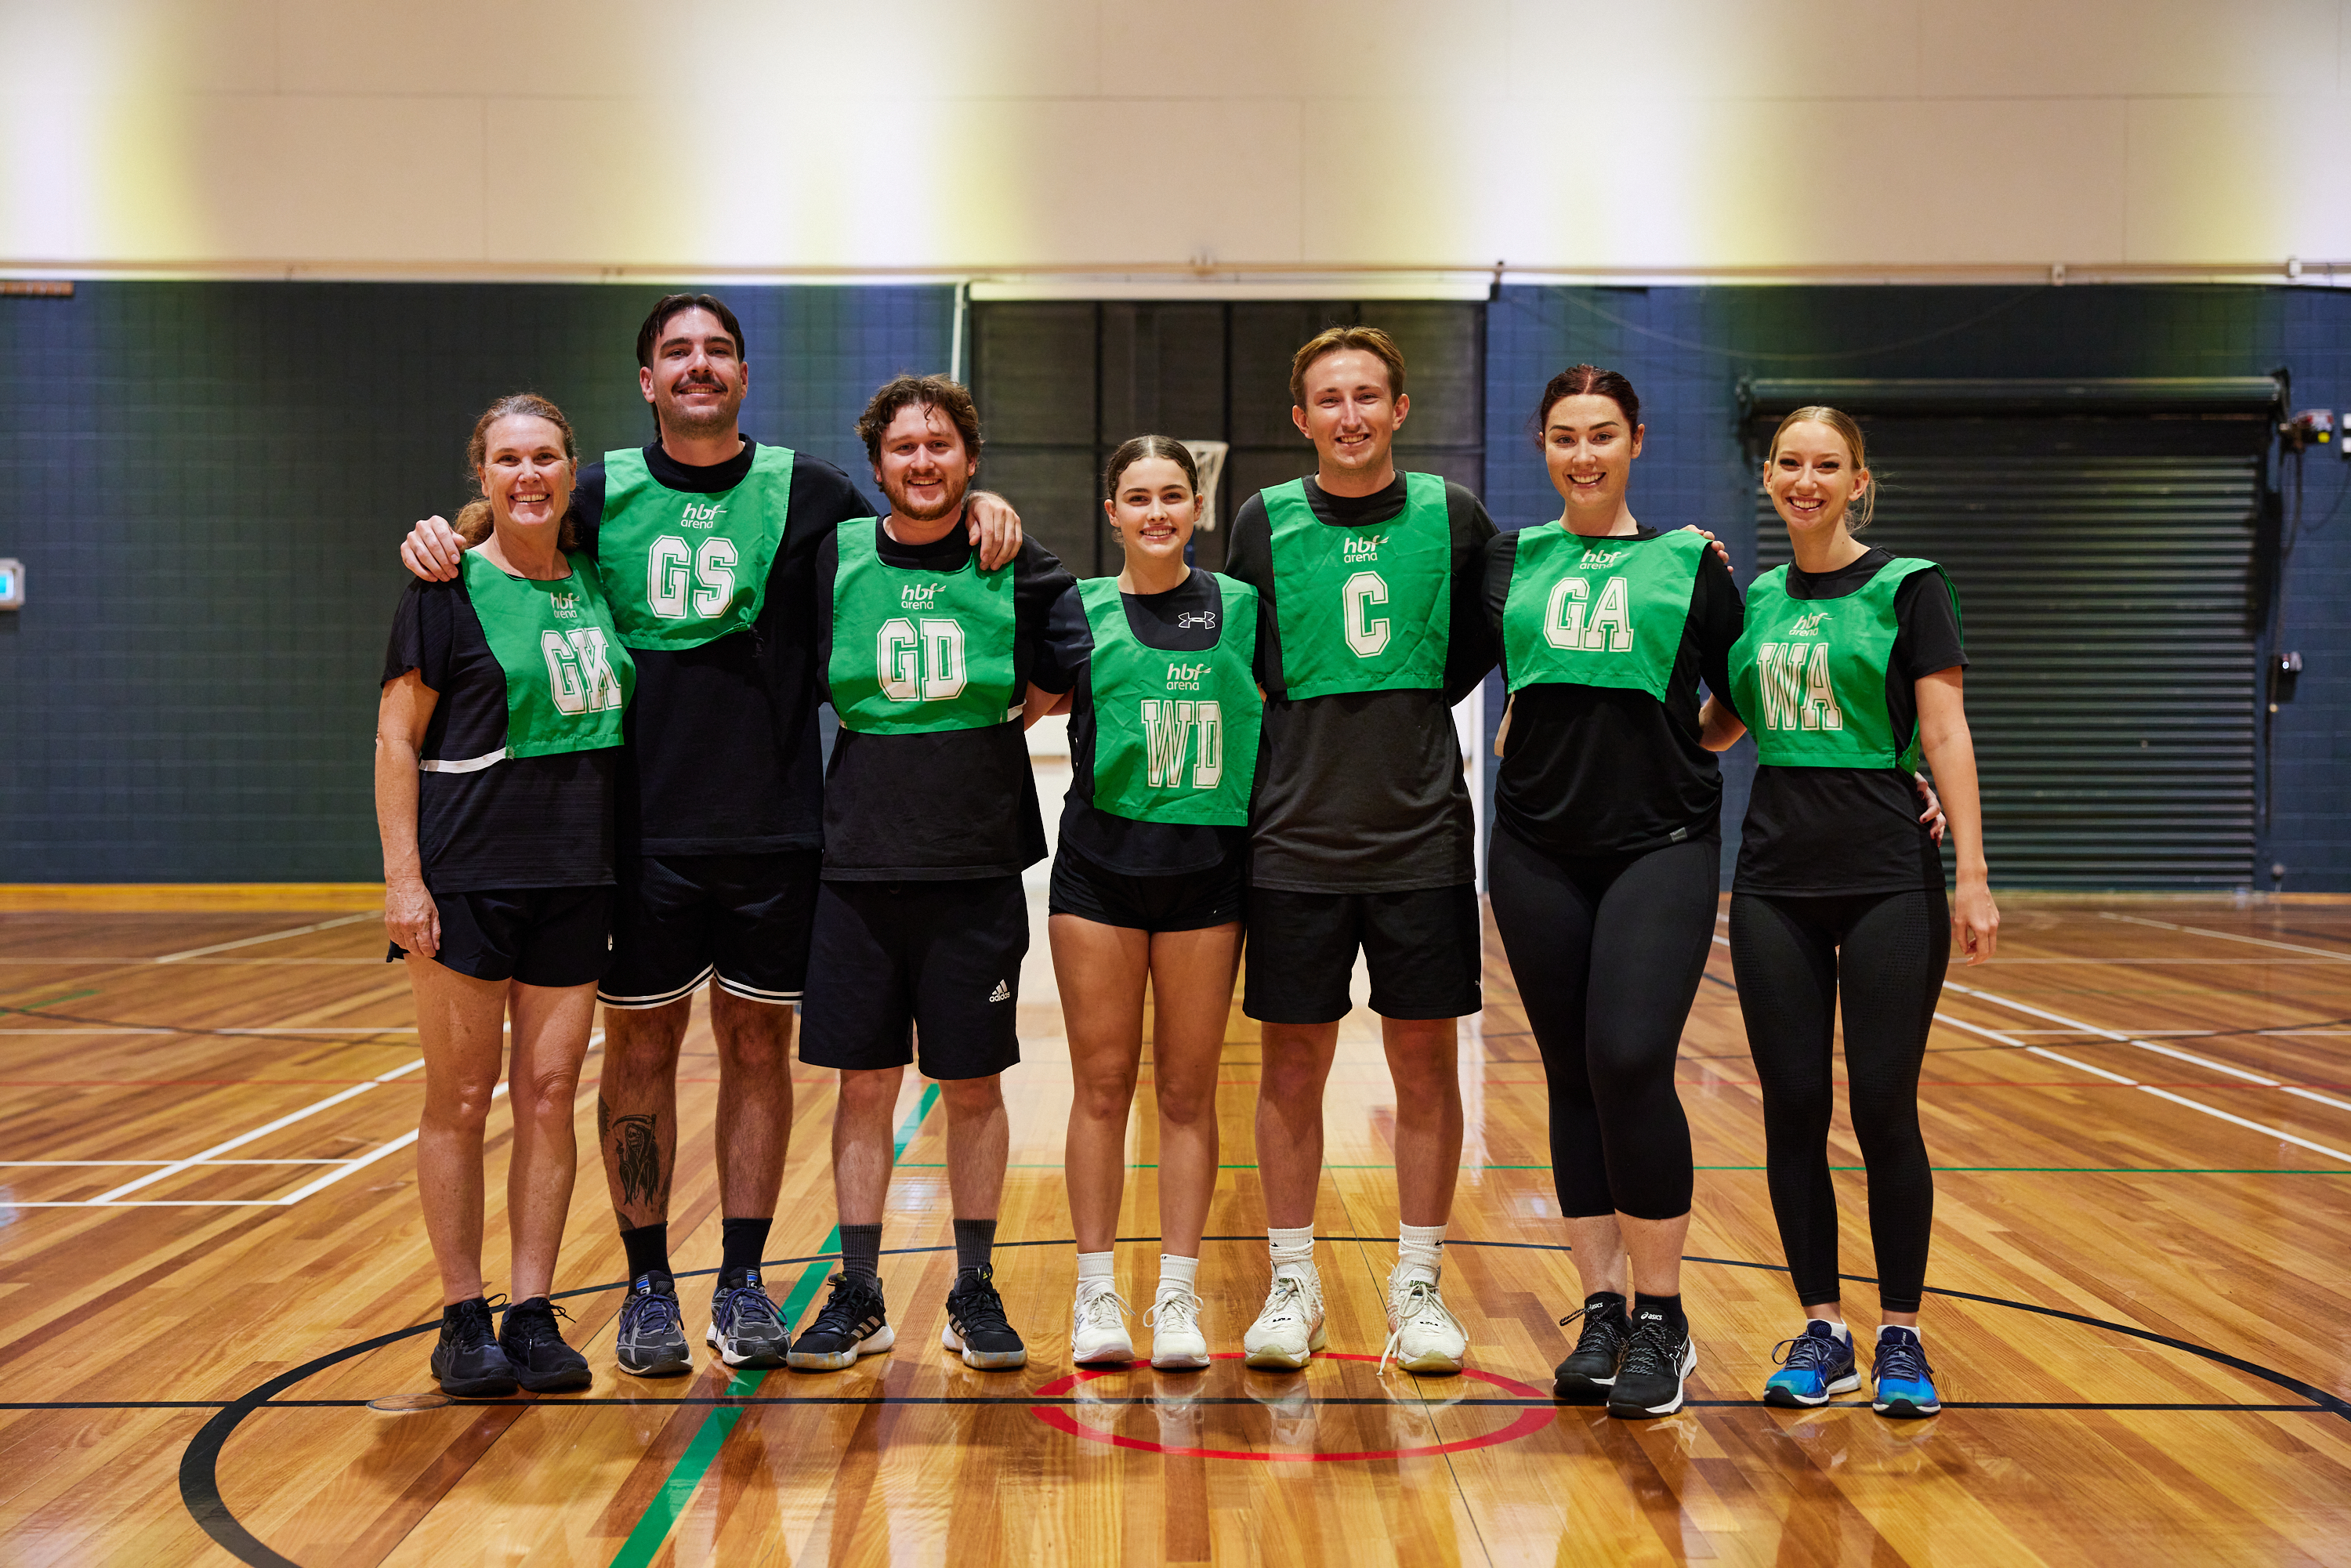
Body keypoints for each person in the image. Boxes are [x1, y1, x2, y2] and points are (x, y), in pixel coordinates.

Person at [397, 295, 1022, 1378]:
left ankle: (741, 1280)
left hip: (780, 833)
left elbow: (916, 513)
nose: (698, 366)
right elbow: (513, 514)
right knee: (637, 1053)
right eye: (676, 352)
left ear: (743, 372)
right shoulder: (597, 495)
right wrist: (442, 532)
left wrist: (991, 503)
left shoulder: (812, 491)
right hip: (635, 839)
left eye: (717, 350)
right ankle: (647, 1286)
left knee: (756, 1051)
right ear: (647, 381)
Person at [1706, 404, 1998, 1419]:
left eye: (1827, 464)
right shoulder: (1753, 599)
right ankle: (1823, 1330)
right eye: (1789, 462)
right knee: (1792, 1108)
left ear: (1858, 480)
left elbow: (1946, 732)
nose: (1806, 479)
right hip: (1775, 881)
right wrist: (1688, 612)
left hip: (1887, 877)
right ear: (1769, 477)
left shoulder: (1908, 587)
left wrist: (1972, 870)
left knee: (1882, 1108)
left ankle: (1902, 1336)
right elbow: (1717, 726)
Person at [1220, 326, 1498, 1374]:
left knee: (1422, 1065)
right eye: (1328, 400)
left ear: (1399, 409)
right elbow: (1238, 659)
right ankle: (1294, 1281)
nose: (1349, 415)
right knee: (1293, 1065)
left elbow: (1481, 645)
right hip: (1291, 837)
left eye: (1367, 397)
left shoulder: (1453, 516)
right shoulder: (1263, 522)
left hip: (1421, 835)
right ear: (1302, 420)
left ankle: (1417, 1283)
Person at [784, 375, 1072, 1374]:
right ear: (877, 467)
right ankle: (858, 1290)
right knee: (863, 1085)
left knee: (972, 1083)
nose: (922, 461)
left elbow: (1060, 670)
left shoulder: (1013, 556)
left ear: (970, 458)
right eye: (903, 447)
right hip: (857, 865)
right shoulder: (838, 557)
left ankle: (973, 1288)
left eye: (940, 445)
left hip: (975, 862)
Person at [1479, 366, 1741, 1418]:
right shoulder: (1507, 560)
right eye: (1561, 437)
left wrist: (1682, 745)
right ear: (1542, 447)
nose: (1581, 454)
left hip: (1661, 845)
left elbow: (1744, 702)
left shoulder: (1692, 564)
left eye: (1600, 435)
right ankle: (1600, 1309)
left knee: (1631, 1058)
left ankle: (1664, 1316)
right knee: (1572, 1072)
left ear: (1636, 439)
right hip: (1537, 848)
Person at [377, 393, 629, 1396]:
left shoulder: (602, 581)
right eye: (509, 460)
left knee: (552, 1094)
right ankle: (460, 1314)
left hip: (578, 876)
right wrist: (404, 879)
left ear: (571, 472)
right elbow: (397, 736)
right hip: (469, 878)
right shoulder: (444, 588)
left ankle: (531, 1311)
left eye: (547, 458)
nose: (530, 475)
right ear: (481, 476)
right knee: (463, 1099)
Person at [1024, 436, 1266, 1369]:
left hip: (1208, 876)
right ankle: (1096, 1298)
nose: (1157, 512)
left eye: (1174, 495)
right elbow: (1011, 691)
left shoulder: (1245, 608)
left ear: (1197, 508)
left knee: (1187, 1091)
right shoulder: (1075, 612)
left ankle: (1175, 1296)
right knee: (1101, 1084)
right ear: (1112, 511)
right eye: (1139, 496)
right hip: (1098, 875)